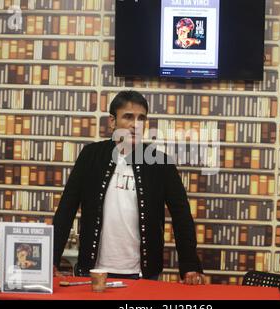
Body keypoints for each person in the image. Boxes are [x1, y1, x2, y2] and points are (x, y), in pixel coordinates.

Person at [53, 90, 205, 285]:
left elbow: (181, 215)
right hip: (93, 272)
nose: (135, 124)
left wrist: (190, 265)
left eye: (141, 118)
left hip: (142, 274)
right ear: (112, 122)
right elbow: (66, 209)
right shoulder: (91, 156)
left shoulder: (161, 163)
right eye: (128, 117)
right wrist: (52, 258)